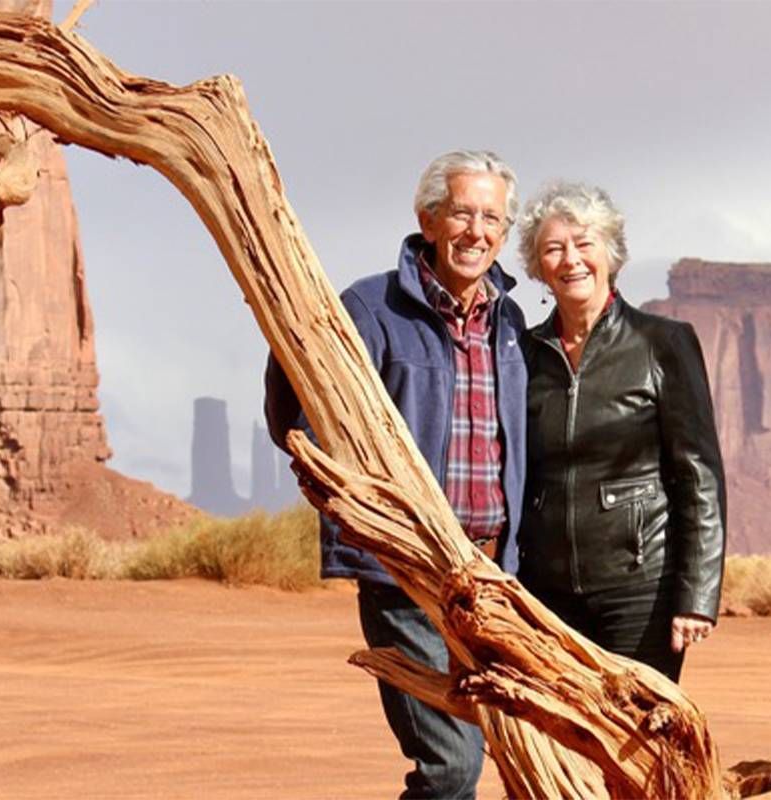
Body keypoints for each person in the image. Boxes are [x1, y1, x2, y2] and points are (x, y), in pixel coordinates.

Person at [264, 150, 527, 799]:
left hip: (491, 573)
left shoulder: (511, 323)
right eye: (462, 213)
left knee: (511, 742)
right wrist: (348, 505)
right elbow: (297, 398)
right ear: (428, 218)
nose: (477, 231)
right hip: (405, 570)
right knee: (451, 764)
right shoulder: (373, 306)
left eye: (492, 218)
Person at [516, 181, 725, 682]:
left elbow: (698, 475)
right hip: (545, 592)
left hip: (641, 589)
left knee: (634, 736)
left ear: (610, 253)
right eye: (554, 248)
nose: (572, 260)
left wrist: (696, 597)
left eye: (584, 244)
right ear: (538, 267)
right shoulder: (522, 353)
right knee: (561, 742)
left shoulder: (663, 343)